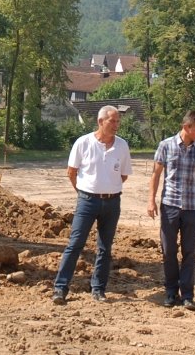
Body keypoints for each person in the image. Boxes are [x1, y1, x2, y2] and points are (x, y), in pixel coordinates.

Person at [52, 105, 133, 305]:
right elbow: (71, 172)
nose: (116, 125)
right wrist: (84, 192)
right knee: (75, 243)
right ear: (100, 122)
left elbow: (123, 175)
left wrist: (108, 187)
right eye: (112, 121)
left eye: (118, 122)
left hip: (112, 202)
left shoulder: (122, 146)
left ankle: (98, 289)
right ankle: (60, 288)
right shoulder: (83, 143)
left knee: (105, 247)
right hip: (87, 201)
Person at [147, 110, 195, 310]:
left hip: (192, 207)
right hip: (170, 205)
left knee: (190, 252)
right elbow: (156, 174)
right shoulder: (166, 146)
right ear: (186, 127)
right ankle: (170, 292)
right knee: (169, 251)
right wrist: (151, 200)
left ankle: (187, 295)